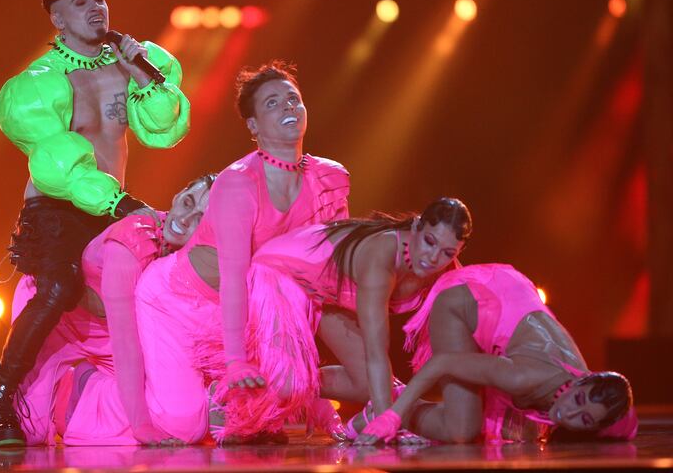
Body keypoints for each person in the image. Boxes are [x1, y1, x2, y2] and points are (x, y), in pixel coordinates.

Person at [65, 60, 350, 445]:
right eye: (272, 103)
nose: (287, 107)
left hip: (227, 308)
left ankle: (221, 401)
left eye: (292, 99)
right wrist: (235, 362)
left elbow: (318, 281)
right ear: (253, 125)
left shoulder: (328, 178)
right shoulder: (233, 187)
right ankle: (84, 389)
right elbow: (233, 279)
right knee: (183, 426)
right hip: (164, 308)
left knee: (277, 374)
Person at [0, 0, 190, 447]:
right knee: (60, 286)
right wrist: (119, 203)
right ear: (57, 19)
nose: (96, 7)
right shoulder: (41, 81)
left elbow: (163, 130)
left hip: (110, 208)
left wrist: (144, 73)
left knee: (161, 285)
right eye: (80, 2)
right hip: (57, 208)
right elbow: (56, 161)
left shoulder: (129, 61)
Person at [0, 174, 213, 447]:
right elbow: (127, 345)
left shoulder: (192, 258)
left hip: (106, 332)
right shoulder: (133, 238)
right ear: (179, 195)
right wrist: (141, 428)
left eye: (200, 218)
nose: (185, 220)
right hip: (59, 321)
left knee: (156, 404)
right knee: (29, 430)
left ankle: (76, 389)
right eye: (188, 202)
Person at [200, 198, 470, 440]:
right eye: (430, 241)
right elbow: (377, 349)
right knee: (289, 384)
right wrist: (390, 420)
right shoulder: (381, 256)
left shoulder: (447, 272)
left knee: (366, 384)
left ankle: (323, 397)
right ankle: (224, 391)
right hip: (281, 272)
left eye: (448, 252)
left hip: (326, 292)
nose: (433, 258)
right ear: (416, 226)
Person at [352, 263, 637, 445]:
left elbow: (626, 421)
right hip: (465, 299)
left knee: (513, 436)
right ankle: (386, 404)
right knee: (461, 430)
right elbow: (443, 363)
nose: (569, 412)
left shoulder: (588, 385)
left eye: (584, 420)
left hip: (509, 291)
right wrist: (392, 416)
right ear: (580, 382)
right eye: (578, 400)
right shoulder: (523, 377)